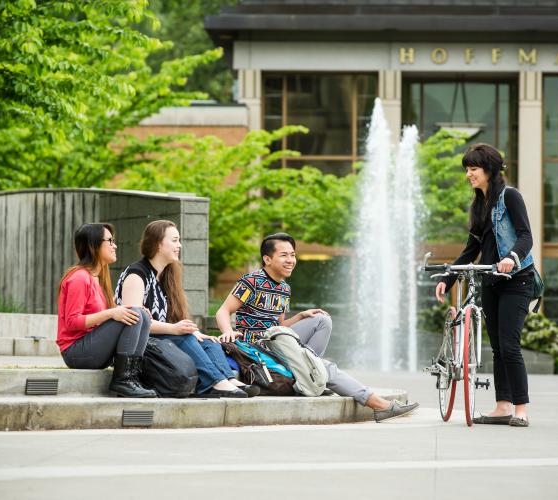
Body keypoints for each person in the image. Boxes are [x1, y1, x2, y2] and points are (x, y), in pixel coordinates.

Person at [216, 232, 418, 422]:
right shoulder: (251, 281)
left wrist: (301, 316)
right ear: (267, 259)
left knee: (322, 320)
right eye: (284, 255)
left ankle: (309, 366)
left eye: (293, 255)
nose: (290, 260)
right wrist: (227, 331)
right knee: (324, 367)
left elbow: (280, 325)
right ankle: (378, 404)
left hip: (278, 340)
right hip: (257, 346)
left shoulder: (285, 288)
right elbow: (223, 311)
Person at [435, 143, 534, 427]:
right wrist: (448, 277)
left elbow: (526, 236)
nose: (469, 174)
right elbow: (471, 249)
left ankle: (521, 409)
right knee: (497, 349)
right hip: (491, 280)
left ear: (489, 170)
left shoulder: (510, 197)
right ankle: (502, 406)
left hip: (517, 279)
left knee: (510, 344)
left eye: (473, 169)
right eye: (467, 169)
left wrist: (511, 258)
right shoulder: (478, 204)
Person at [115, 220, 256, 398]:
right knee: (187, 338)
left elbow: (169, 323)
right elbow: (134, 321)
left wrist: (192, 332)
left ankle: (228, 379)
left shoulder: (165, 275)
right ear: (158, 243)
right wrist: (175, 329)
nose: (179, 245)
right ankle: (216, 383)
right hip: (140, 345)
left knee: (209, 342)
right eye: (174, 240)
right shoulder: (137, 274)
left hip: (162, 338)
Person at [57, 223, 156, 398]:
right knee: (134, 313)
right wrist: (112, 313)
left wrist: (125, 310)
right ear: (93, 245)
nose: (114, 245)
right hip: (76, 352)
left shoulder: (100, 278)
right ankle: (122, 380)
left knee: (142, 315)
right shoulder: (79, 278)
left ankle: (131, 377)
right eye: (109, 241)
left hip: (93, 347)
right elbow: (72, 323)